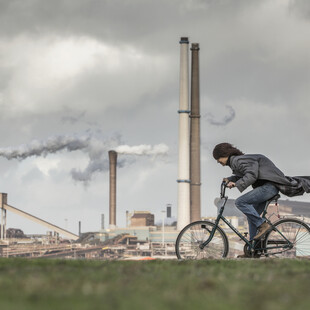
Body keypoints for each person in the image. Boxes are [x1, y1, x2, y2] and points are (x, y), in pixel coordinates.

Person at [213, 142, 310, 244]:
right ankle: (253, 248)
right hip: (268, 187)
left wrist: (236, 184)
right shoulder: (238, 161)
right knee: (252, 216)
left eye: (217, 158)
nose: (217, 162)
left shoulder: (238, 160)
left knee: (240, 202)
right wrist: (229, 179)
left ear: (224, 154)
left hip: (269, 187)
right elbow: (243, 175)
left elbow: (251, 175)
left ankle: (263, 225)